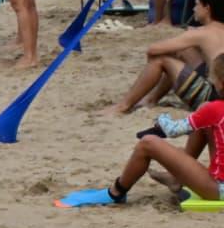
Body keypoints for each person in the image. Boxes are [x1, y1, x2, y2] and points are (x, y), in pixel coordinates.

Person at [59, 53, 224, 207]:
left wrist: (162, 119)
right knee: (203, 114)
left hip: (220, 190)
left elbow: (173, 130)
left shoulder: (216, 109)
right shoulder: (214, 110)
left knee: (148, 143)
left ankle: (116, 192)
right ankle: (175, 179)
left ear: (220, 84)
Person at [106, 0, 224, 114]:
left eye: (196, 4)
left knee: (160, 59)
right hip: (220, 87)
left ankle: (123, 106)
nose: (193, 9)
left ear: (207, 8)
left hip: (215, 99)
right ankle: (151, 99)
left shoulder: (201, 33)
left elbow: (153, 49)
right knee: (184, 50)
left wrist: (186, 36)